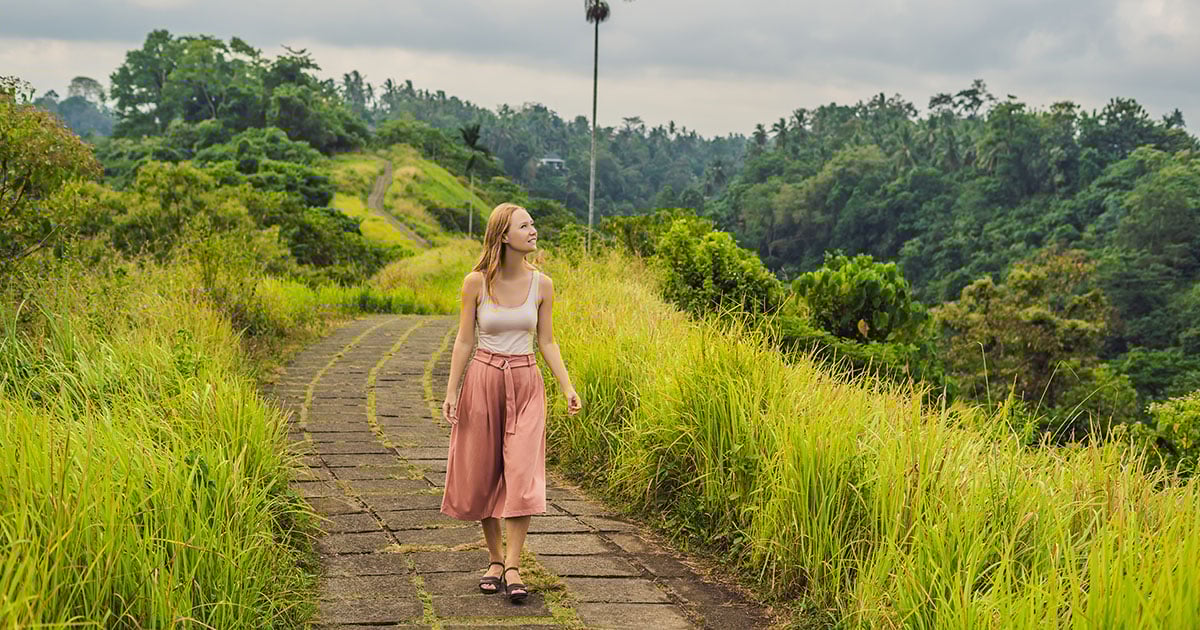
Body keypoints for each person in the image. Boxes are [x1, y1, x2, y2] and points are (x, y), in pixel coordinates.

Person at [440, 202, 582, 603]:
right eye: (525, 226)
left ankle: (516, 566)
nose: (534, 231)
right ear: (503, 235)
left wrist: (566, 386)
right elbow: (464, 339)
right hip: (483, 378)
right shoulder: (475, 283)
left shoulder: (543, 285)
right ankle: (495, 560)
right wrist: (452, 391)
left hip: (525, 381)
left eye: (533, 224)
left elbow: (547, 341)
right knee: (484, 470)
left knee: (521, 471)